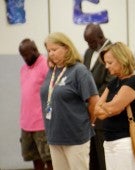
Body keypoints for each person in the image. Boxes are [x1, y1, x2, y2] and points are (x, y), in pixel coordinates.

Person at [40, 32, 99, 170]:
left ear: (66, 48)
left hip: (75, 136)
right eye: (49, 51)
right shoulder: (52, 71)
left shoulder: (79, 70)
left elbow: (94, 101)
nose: (51, 54)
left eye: (54, 50)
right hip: (54, 135)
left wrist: (87, 123)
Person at [94, 42, 135, 170]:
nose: (106, 66)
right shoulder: (113, 83)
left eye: (110, 63)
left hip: (125, 142)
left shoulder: (134, 81)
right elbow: (97, 110)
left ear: (122, 60)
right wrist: (111, 105)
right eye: (106, 63)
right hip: (109, 141)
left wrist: (108, 106)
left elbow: (114, 109)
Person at [83, 23, 114, 170]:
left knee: (103, 159)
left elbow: (110, 83)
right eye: (87, 43)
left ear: (100, 37)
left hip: (103, 111)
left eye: (91, 42)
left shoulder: (113, 51)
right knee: (92, 158)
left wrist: (93, 98)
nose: (89, 46)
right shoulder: (89, 52)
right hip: (88, 112)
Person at [18, 38, 53, 170]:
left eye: (26, 54)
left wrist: (49, 117)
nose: (25, 58)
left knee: (49, 160)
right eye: (22, 55)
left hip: (42, 123)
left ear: (35, 50)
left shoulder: (46, 64)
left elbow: (52, 93)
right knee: (35, 159)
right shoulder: (23, 69)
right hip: (26, 123)